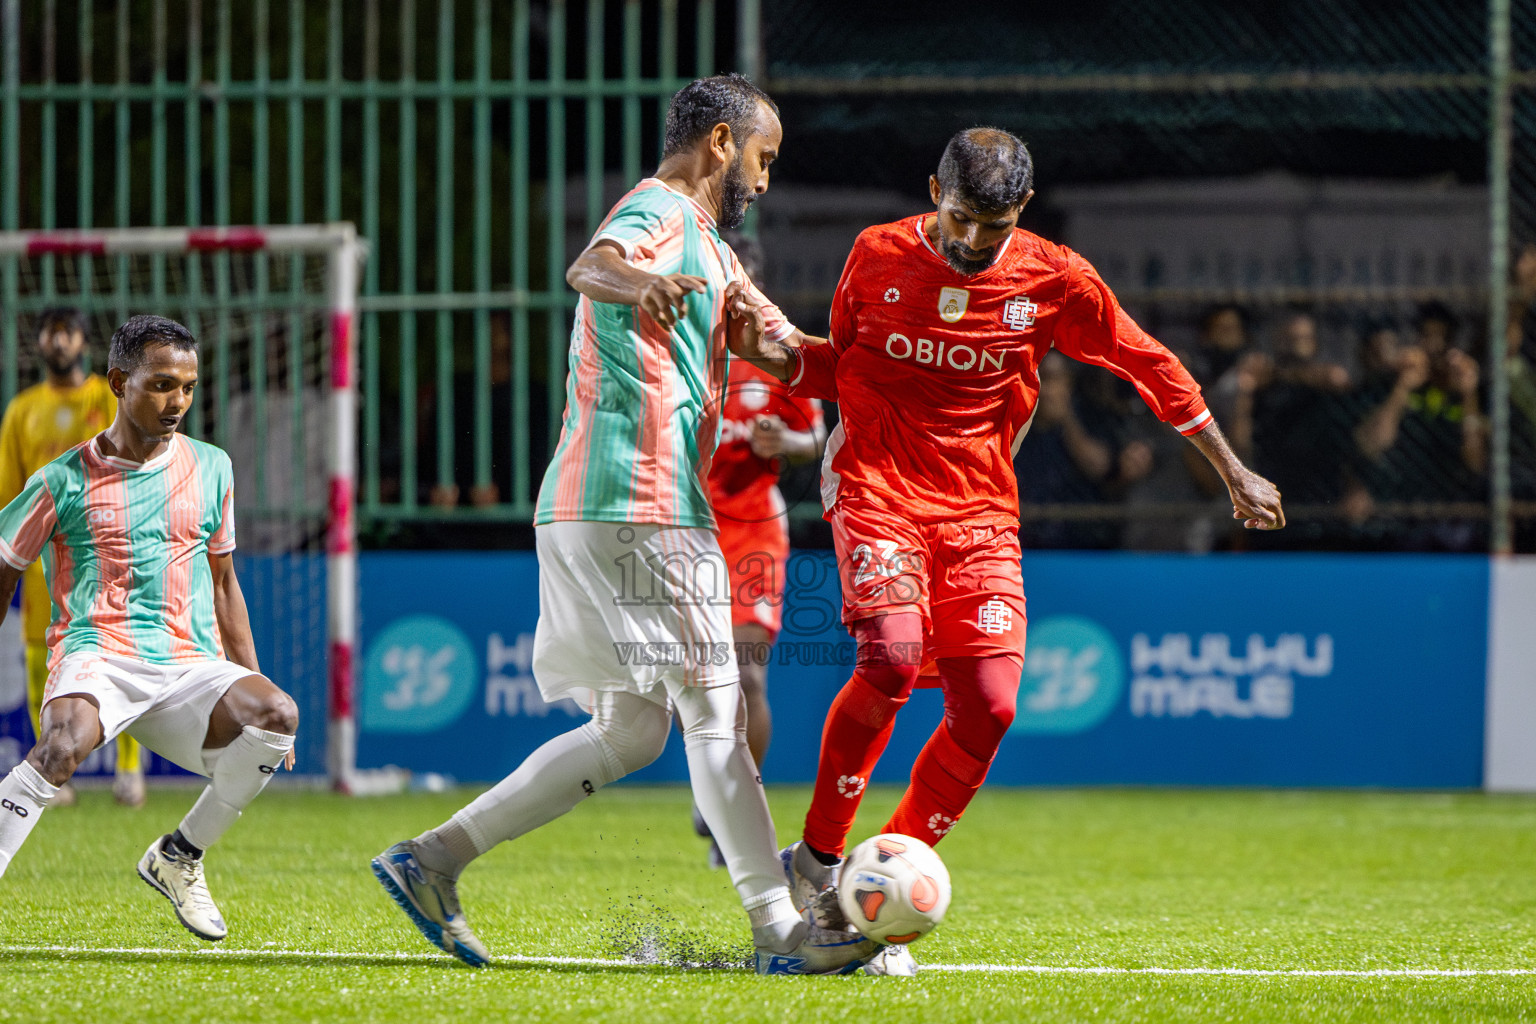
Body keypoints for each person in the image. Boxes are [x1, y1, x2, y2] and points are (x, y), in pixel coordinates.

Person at [728, 127, 1284, 975]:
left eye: (994, 227)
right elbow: (843, 365)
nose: (973, 242)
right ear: (933, 193)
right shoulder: (875, 255)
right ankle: (817, 860)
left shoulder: (1055, 278)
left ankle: (870, 894)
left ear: (1022, 211)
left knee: (989, 706)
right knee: (891, 657)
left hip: (982, 510)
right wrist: (765, 350)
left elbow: (1149, 364)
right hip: (876, 484)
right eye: (959, 220)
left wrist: (1234, 468)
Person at [370, 73, 878, 976]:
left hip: (583, 508)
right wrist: (640, 284)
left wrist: (917, 372)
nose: (765, 180)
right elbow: (592, 266)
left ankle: (432, 860)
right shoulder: (658, 211)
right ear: (720, 143)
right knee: (716, 708)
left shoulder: (719, 258)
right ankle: (780, 930)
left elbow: (794, 358)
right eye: (762, 158)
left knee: (633, 733)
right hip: (636, 501)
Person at [0, 314, 299, 942]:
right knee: (58, 747)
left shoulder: (213, 466)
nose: (178, 402)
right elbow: (6, 564)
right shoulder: (61, 480)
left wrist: (251, 673)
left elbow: (223, 585)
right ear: (118, 381)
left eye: (188, 387)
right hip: (97, 653)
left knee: (277, 716)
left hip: (187, 664)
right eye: (162, 385)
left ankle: (179, 856)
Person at [691, 233, 827, 868]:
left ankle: (734, 814)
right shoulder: (683, 347)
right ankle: (714, 787)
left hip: (751, 530)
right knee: (685, 682)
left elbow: (816, 437)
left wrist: (788, 443)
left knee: (747, 675)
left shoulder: (778, 351)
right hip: (686, 527)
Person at [0, 308, 147, 807]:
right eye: (49, 332)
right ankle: (53, 762)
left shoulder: (105, 398)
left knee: (117, 649)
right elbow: (8, 487)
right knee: (43, 652)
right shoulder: (22, 410)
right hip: (45, 548)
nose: (57, 341)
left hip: (103, 543)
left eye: (67, 332)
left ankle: (129, 769)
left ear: (83, 341)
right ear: (40, 343)